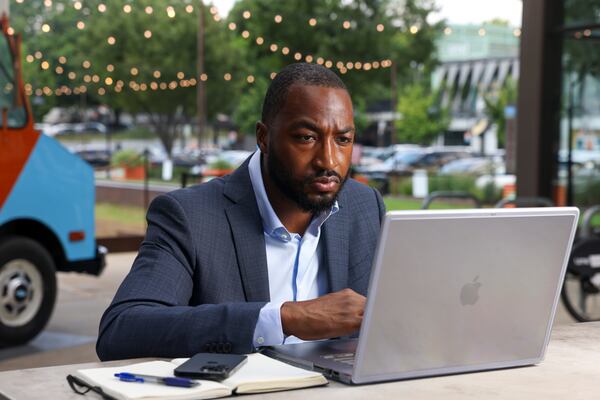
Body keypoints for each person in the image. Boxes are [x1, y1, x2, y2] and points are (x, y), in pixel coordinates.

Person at [96, 63, 385, 360]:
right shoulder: (189, 217)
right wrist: (285, 318)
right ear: (263, 137)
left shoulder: (364, 207)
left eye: (343, 140)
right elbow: (122, 330)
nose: (328, 160)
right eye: (306, 137)